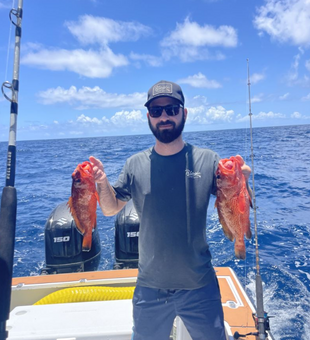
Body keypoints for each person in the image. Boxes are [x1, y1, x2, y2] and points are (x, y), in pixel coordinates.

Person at [90, 80, 251, 340]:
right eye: (156, 111)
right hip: (149, 288)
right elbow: (110, 208)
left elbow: (232, 201)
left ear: (184, 113)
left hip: (200, 287)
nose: (164, 116)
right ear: (149, 117)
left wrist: (242, 181)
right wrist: (101, 183)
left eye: (172, 109)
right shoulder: (134, 164)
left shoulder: (207, 159)